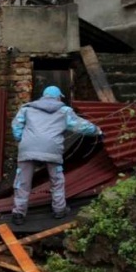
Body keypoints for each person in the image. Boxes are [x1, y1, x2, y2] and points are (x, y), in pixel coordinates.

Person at [10, 86, 102, 225]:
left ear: (43, 96)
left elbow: (16, 125)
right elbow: (80, 125)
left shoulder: (27, 108)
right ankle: (59, 210)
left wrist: (20, 139)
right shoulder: (64, 111)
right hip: (52, 149)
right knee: (57, 180)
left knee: (22, 181)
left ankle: (18, 213)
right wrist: (97, 130)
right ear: (58, 97)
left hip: (28, 148)